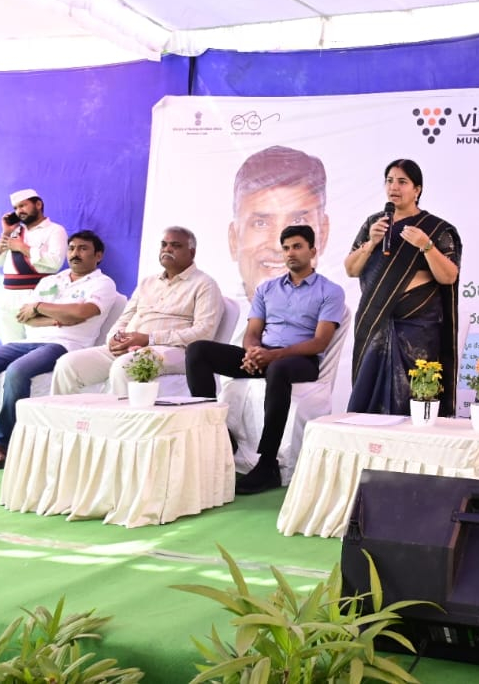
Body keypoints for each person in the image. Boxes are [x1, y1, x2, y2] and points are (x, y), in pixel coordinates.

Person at [0, 231, 116, 471]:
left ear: (98, 255)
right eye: (71, 248)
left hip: (66, 345)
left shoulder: (103, 283)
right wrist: (60, 317)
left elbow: (81, 313)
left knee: (17, 371)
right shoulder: (51, 281)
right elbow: (25, 317)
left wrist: (40, 307)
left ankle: (3, 442)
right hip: (30, 341)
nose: (74, 254)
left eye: (83, 248)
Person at [185, 225, 344, 495]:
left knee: (278, 369)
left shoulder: (330, 291)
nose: (290, 253)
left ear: (313, 251)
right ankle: (218, 434)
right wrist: (252, 352)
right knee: (198, 351)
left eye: (297, 246)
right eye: (286, 248)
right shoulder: (267, 289)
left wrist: (273, 355)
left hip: (300, 361)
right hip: (266, 355)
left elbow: (320, 342)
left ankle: (268, 464)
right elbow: (253, 333)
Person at [345, 159, 461, 417]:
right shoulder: (374, 224)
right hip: (376, 321)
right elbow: (351, 269)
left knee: (414, 400)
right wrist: (371, 243)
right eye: (389, 181)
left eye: (402, 182)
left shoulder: (434, 229)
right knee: (367, 401)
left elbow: (448, 277)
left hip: (417, 330)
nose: (393, 187)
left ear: (417, 189)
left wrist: (426, 245)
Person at [51, 227, 223, 396]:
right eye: (164, 245)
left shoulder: (204, 284)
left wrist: (149, 339)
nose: (167, 249)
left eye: (176, 245)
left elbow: (204, 333)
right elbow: (124, 319)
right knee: (67, 365)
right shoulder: (148, 282)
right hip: (129, 347)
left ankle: (119, 416)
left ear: (192, 252)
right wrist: (114, 340)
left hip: (171, 350)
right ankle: (62, 415)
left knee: (124, 367)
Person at [227, 146, 329, 303]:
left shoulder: (352, 314)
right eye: (261, 223)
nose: (277, 245)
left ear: (322, 235)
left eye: (298, 222)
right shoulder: (209, 314)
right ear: (234, 240)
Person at [0, 189, 68, 343]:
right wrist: (6, 233)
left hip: (39, 295)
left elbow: (55, 263)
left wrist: (23, 248)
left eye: (23, 206)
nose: (19, 211)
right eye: (16, 208)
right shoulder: (14, 232)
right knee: (9, 346)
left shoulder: (55, 230)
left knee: (37, 343)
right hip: (9, 295)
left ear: (38, 204)